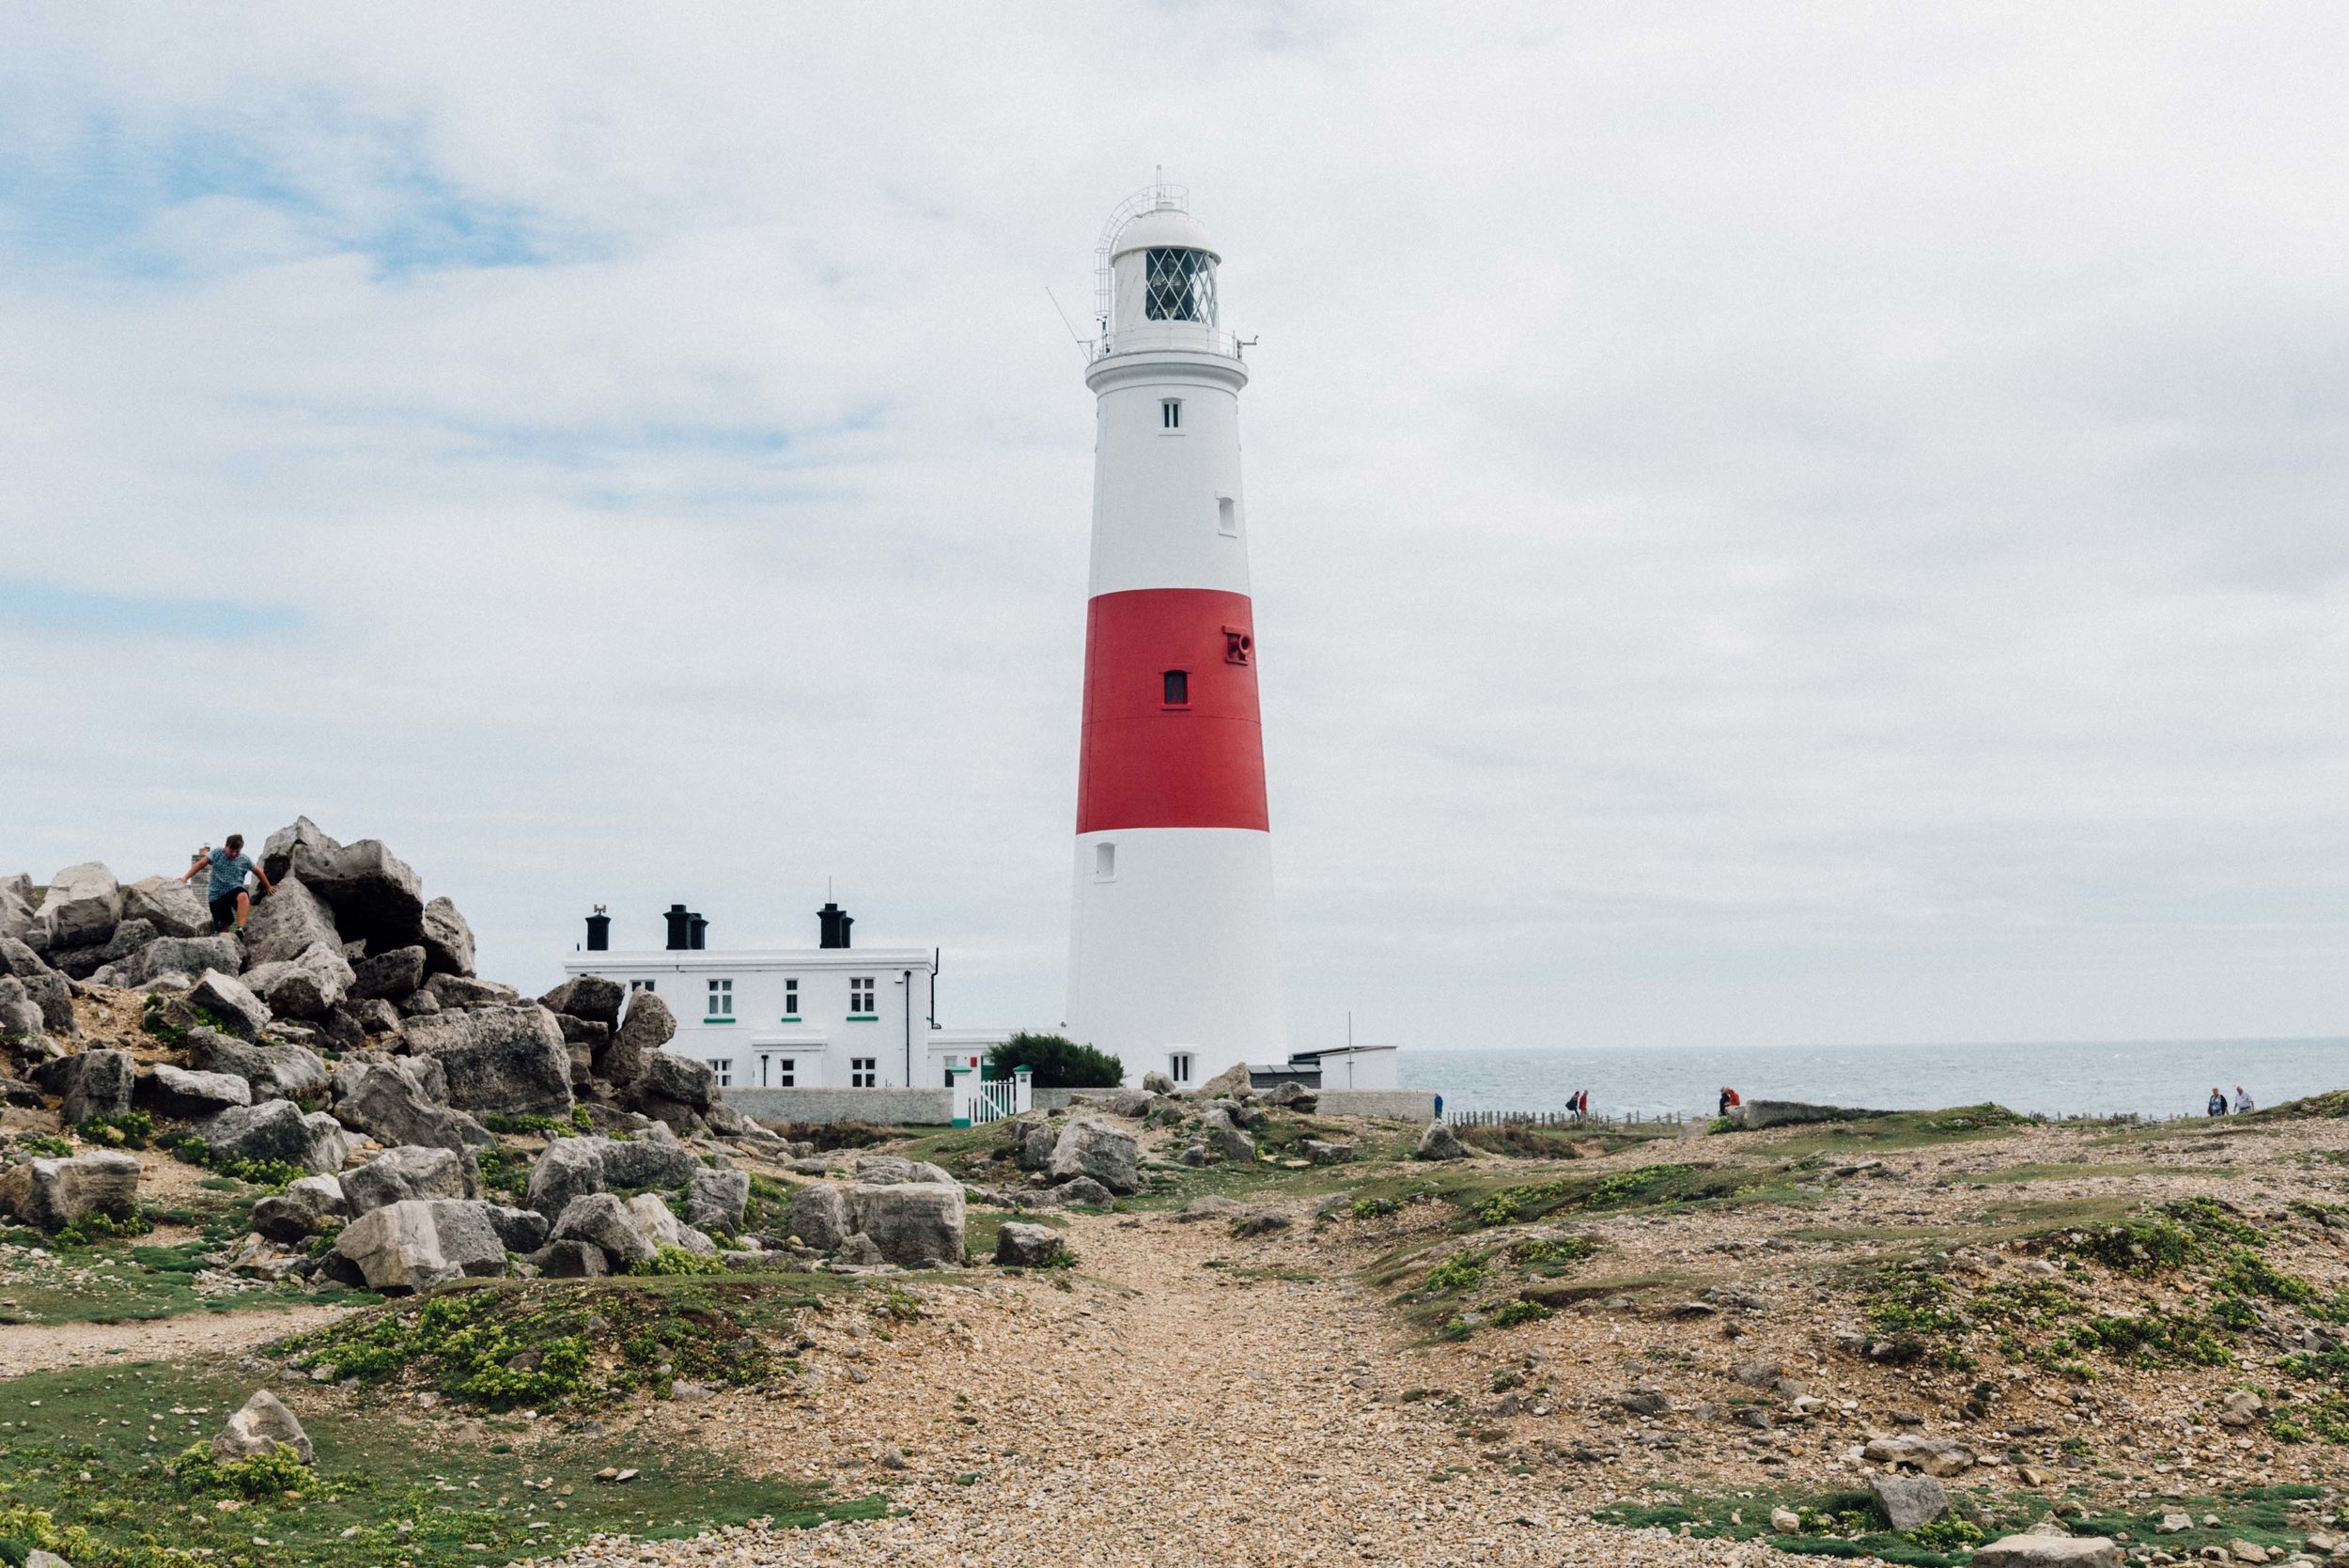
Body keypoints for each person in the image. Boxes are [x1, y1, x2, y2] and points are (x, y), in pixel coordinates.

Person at [179, 833, 273, 933]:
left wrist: (268, 887)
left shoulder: (244, 859)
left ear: (241, 849)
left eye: (237, 852)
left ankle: (240, 928)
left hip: (233, 889)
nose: (233, 854)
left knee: (243, 896)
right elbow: (200, 864)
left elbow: (258, 872)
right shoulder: (217, 853)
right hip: (216, 895)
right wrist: (185, 878)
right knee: (223, 926)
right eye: (231, 851)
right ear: (226, 846)